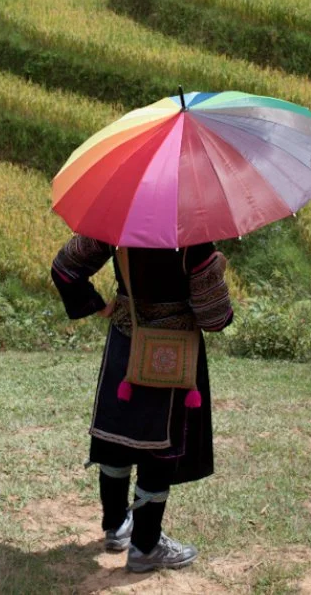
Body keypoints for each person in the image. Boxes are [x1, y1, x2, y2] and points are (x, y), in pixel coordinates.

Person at [51, 234, 233, 572]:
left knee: (117, 435)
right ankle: (145, 546)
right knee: (158, 447)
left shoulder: (114, 227)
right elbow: (215, 319)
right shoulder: (192, 239)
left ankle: (117, 526)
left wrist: (98, 304)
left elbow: (65, 268)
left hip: (124, 343)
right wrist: (215, 275)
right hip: (172, 355)